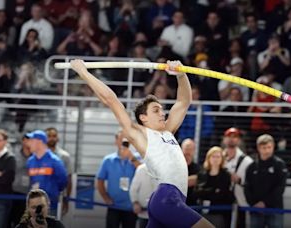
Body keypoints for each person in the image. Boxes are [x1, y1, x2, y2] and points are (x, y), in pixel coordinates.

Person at [70, 59, 214, 228]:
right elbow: (111, 99)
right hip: (167, 198)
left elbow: (183, 102)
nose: (162, 113)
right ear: (143, 118)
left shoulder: (168, 131)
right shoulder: (140, 134)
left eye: (161, 109)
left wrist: (181, 75)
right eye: (156, 110)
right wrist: (83, 72)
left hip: (170, 199)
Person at [244, 134, 288, 228]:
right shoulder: (252, 167)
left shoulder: (279, 165)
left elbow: (280, 187)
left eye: (269, 147)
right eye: (264, 148)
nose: (267, 150)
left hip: (274, 209)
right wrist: (253, 204)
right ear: (258, 148)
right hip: (256, 209)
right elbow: (247, 187)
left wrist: (264, 202)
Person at [96, 133, 140, 228]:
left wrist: (131, 157)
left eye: (126, 141)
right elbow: (100, 181)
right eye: (121, 140)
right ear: (116, 141)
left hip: (131, 207)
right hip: (114, 205)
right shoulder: (108, 160)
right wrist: (106, 198)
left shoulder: (136, 158)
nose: (124, 143)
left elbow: (143, 172)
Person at [26, 130, 67, 216]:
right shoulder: (30, 161)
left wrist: (52, 191)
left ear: (39, 142)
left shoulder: (54, 161)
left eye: (31, 140)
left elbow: (63, 181)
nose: (28, 143)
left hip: (50, 206)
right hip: (34, 206)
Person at [194, 146, 233, 228]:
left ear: (222, 159)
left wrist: (205, 192)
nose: (215, 159)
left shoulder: (225, 175)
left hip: (218, 213)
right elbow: (197, 193)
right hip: (202, 212)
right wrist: (213, 190)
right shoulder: (202, 174)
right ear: (208, 158)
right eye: (213, 156)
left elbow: (223, 195)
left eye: (218, 157)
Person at [222, 127, 253, 227]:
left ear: (239, 140)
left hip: (240, 201)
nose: (231, 139)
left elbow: (252, 184)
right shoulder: (217, 157)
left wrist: (239, 180)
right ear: (224, 139)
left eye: (235, 137)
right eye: (229, 136)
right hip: (221, 201)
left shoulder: (247, 161)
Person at [0, 129, 16, 228]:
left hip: (3, 198)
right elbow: (1, 178)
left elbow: (7, 179)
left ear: (5, 141)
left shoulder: (10, 158)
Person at [45, 127, 73, 216]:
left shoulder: (64, 156)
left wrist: (66, 199)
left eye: (54, 136)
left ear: (57, 138)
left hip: (57, 198)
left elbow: (69, 179)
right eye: (49, 136)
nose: (51, 138)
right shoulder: (38, 156)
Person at [10, 134, 32, 227]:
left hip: (29, 194)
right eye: (26, 139)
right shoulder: (14, 155)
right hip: (15, 192)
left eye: (30, 140)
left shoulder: (36, 156)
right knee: (14, 219)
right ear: (22, 141)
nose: (28, 142)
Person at [129, 163, 158, 228]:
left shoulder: (166, 170)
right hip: (144, 213)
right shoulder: (141, 169)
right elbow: (133, 189)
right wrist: (135, 203)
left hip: (160, 215)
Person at [181, 138, 200, 206]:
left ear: (194, 151)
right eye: (186, 149)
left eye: (190, 149)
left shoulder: (198, 169)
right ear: (181, 149)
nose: (188, 152)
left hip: (192, 206)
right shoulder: (174, 166)